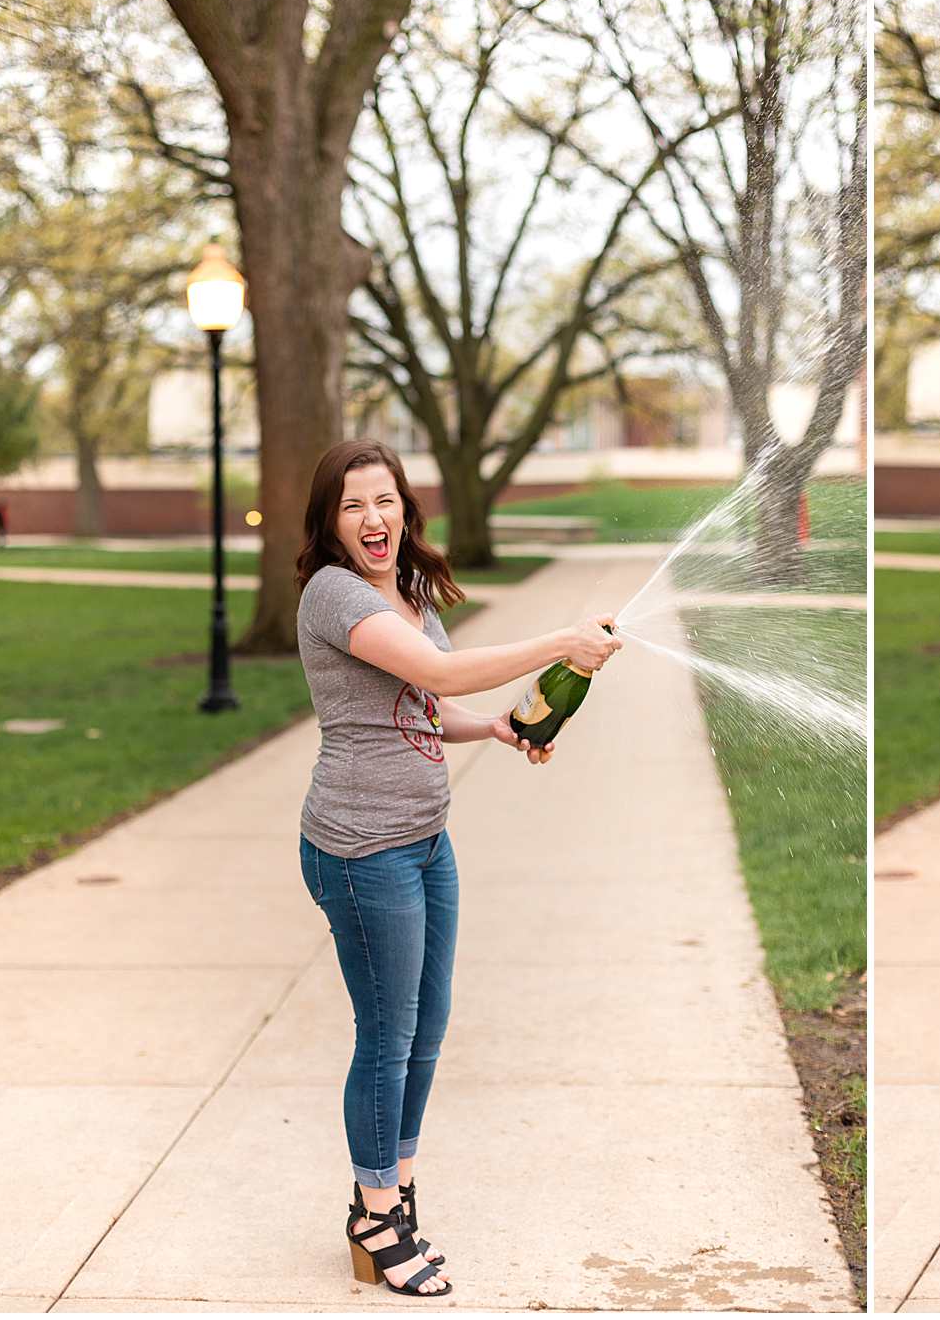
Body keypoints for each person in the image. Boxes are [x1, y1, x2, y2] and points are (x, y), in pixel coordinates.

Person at [295, 439, 619, 1298]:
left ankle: (396, 1192)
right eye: (353, 505)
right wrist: (561, 639)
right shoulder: (333, 594)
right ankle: (372, 1218)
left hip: (426, 840)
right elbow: (437, 668)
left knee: (426, 1028)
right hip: (362, 849)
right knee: (386, 1033)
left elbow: (427, 702)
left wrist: (500, 729)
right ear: (331, 523)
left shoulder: (406, 587)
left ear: (406, 508)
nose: (373, 518)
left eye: (385, 500)